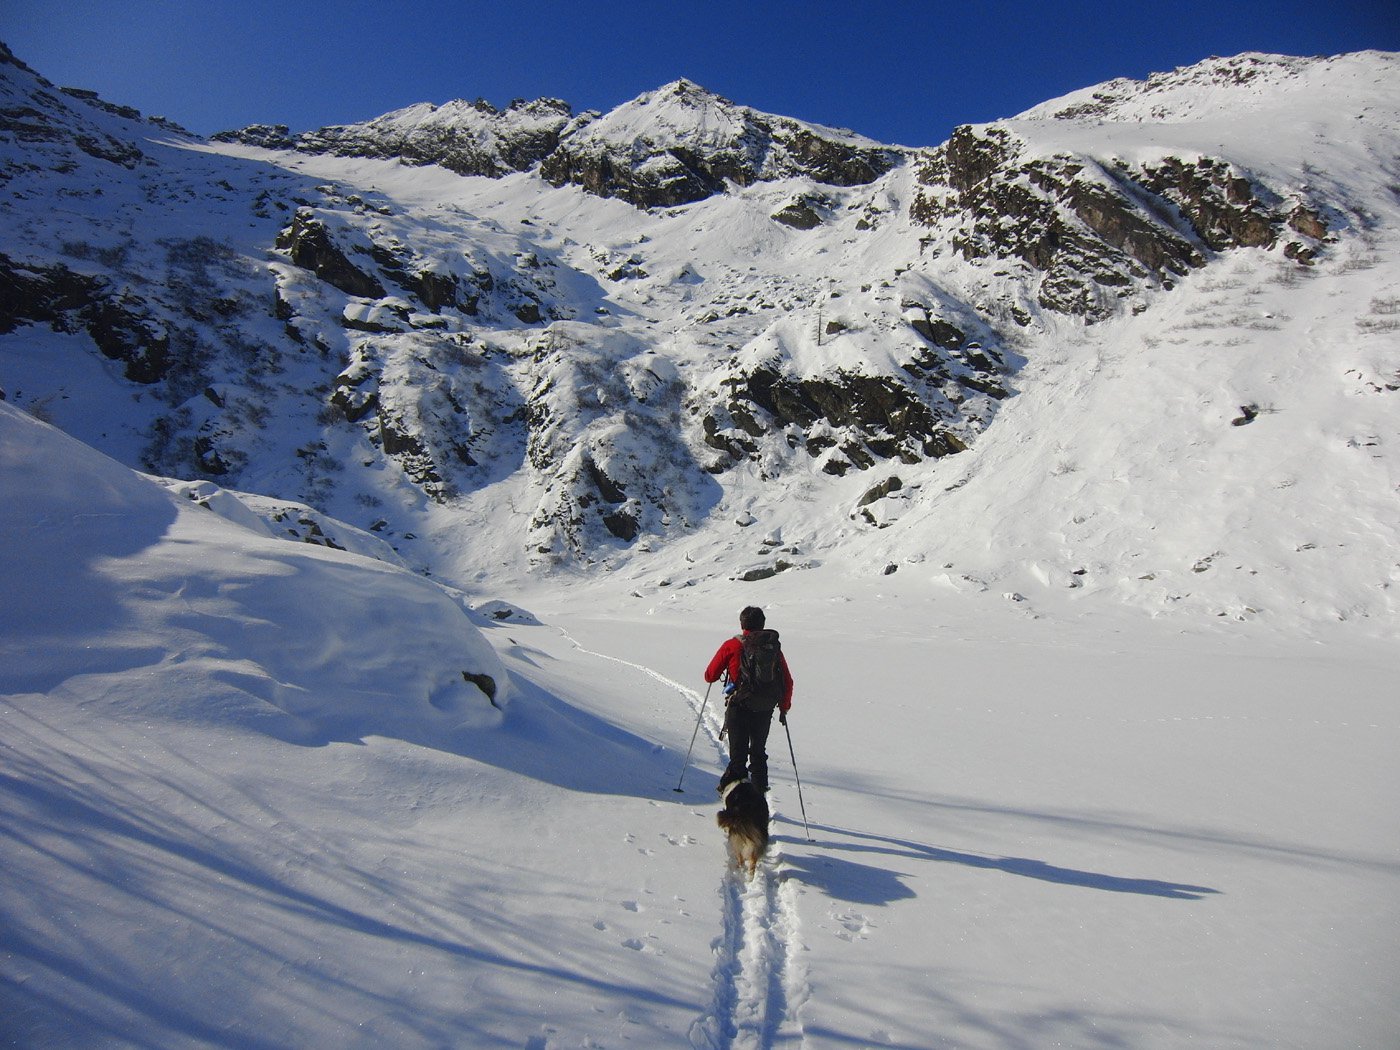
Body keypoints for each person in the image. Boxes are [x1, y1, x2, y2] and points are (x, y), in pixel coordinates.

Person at [703, 606, 793, 793]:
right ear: (763, 624)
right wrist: (783, 707)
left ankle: (734, 800)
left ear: (742, 624)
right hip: (765, 707)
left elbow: (710, 675)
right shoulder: (772, 647)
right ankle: (759, 800)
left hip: (739, 705)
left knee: (738, 757)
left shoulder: (732, 645)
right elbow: (787, 680)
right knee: (758, 753)